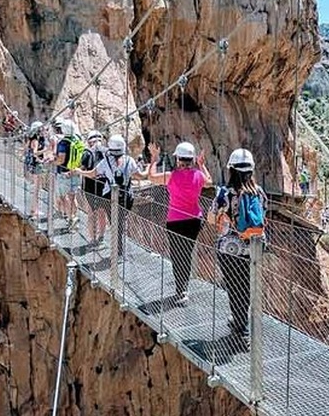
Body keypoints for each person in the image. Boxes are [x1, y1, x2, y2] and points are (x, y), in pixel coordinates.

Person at [208, 148, 267, 340]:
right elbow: (263, 216)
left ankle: (241, 329)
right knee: (245, 286)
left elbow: (210, 218)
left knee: (233, 287)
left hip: (229, 248)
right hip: (253, 247)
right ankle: (241, 321)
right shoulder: (259, 192)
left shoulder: (225, 193)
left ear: (231, 170)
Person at [147, 141, 213, 305]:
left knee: (177, 255)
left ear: (178, 160)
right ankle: (185, 287)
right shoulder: (198, 175)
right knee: (187, 252)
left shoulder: (171, 176)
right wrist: (202, 165)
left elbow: (151, 178)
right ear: (192, 160)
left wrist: (154, 158)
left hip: (175, 220)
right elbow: (210, 182)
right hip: (195, 220)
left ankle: (181, 289)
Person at [82, 134, 145, 256]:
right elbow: (140, 176)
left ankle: (117, 250)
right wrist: (153, 162)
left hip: (110, 197)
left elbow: (93, 173)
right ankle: (119, 248)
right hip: (127, 197)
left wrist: (80, 171)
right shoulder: (129, 160)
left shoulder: (105, 162)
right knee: (120, 222)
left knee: (114, 223)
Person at [79, 130, 108, 245]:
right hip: (105, 186)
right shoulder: (108, 152)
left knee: (91, 214)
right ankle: (101, 235)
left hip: (90, 187)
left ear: (90, 141)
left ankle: (92, 239)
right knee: (102, 212)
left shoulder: (87, 152)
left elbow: (82, 168)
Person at [53, 119, 83, 229]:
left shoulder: (63, 143)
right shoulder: (77, 140)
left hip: (64, 174)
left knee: (62, 197)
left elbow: (61, 160)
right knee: (72, 196)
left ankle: (71, 218)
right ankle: (74, 216)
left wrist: (53, 161)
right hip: (75, 172)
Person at [23, 121, 47, 218]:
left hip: (33, 165)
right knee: (37, 189)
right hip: (36, 166)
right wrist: (46, 150)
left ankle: (34, 210)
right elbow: (35, 153)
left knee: (36, 189)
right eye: (41, 129)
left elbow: (26, 149)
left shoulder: (30, 139)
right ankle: (34, 211)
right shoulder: (36, 140)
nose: (42, 130)